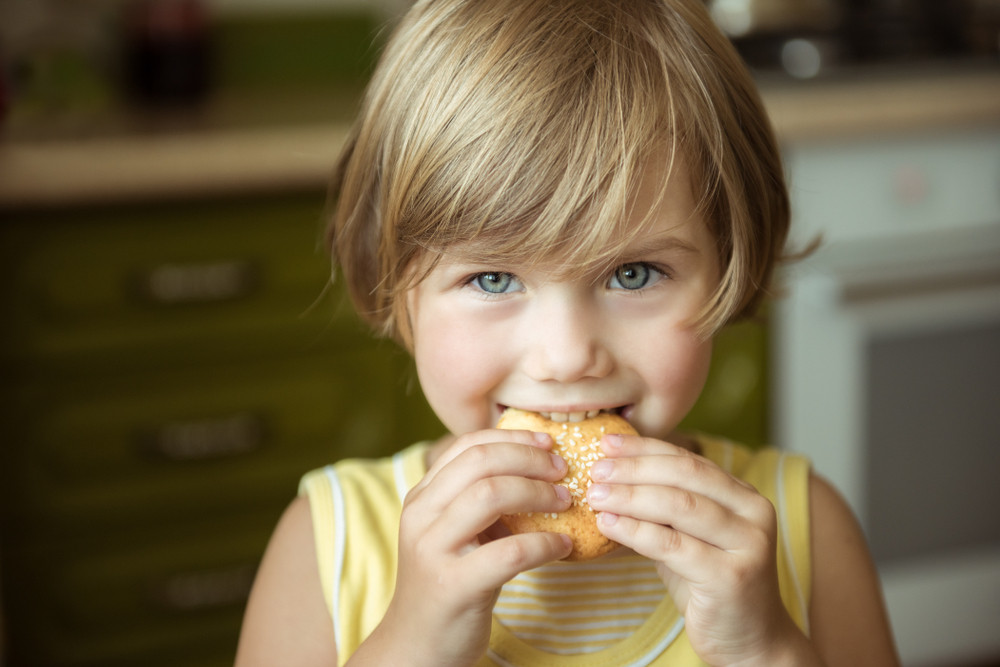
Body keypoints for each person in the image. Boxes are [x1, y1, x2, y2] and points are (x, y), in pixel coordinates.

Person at [235, 1, 900, 665]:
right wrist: (411, 644)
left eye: (635, 272)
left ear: (733, 261)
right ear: (394, 289)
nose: (566, 356)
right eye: (494, 279)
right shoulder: (330, 542)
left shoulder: (801, 532)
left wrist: (768, 649)